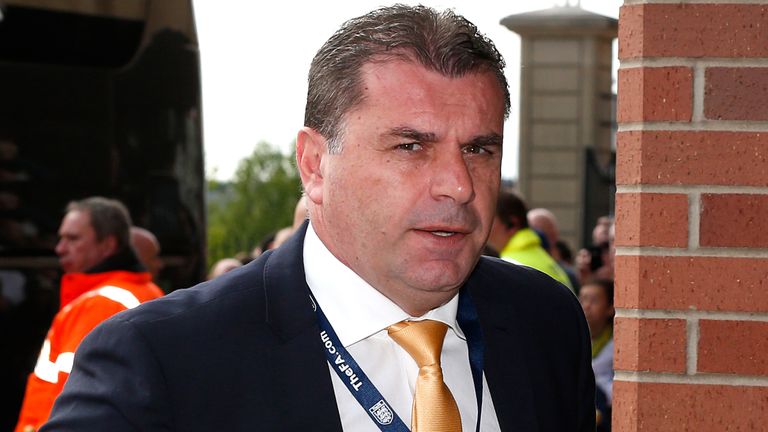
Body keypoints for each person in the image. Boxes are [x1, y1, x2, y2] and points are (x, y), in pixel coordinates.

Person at [43, 6, 594, 431]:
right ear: (314, 165)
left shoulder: (544, 321)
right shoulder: (160, 359)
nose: (458, 184)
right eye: (410, 147)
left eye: (479, 149)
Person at [14, 197, 163, 432]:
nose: (59, 248)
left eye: (73, 238)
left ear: (108, 245)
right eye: (61, 238)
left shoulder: (102, 303)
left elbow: (74, 404)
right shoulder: (139, 292)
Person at [487, 191, 574, 291]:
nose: (485, 226)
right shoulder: (543, 257)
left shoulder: (509, 265)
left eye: (490, 219)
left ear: (511, 224)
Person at [578, 279, 615, 431]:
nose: (586, 306)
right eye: (583, 299)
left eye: (594, 301)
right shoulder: (571, 338)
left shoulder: (616, 345)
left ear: (610, 308)